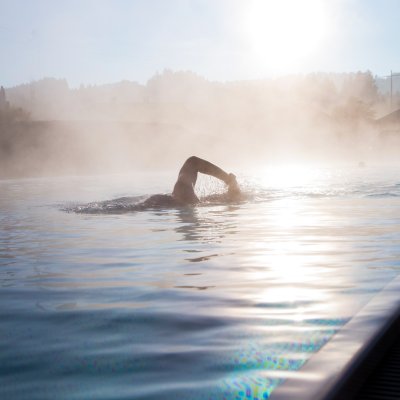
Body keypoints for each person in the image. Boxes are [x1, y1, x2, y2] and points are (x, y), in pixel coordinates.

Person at [140, 156, 241, 208]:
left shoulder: (213, 200)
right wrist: (229, 181)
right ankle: (230, 181)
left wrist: (229, 180)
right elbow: (193, 162)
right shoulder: (217, 200)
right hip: (178, 202)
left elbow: (193, 162)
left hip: (174, 202)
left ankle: (230, 181)